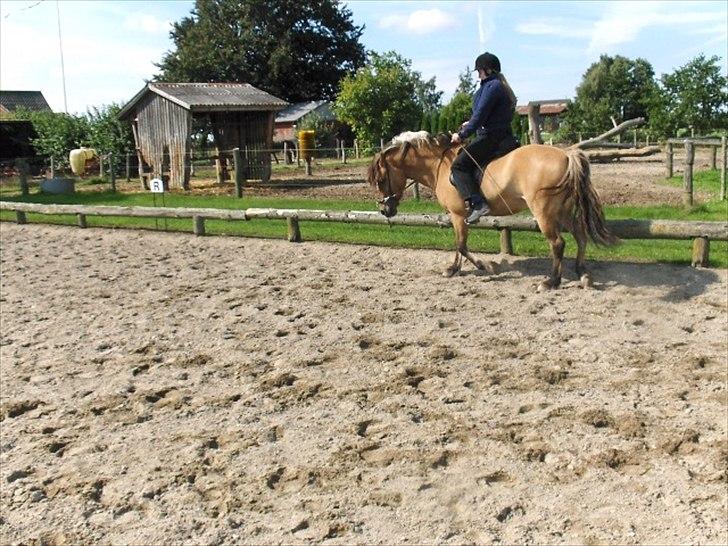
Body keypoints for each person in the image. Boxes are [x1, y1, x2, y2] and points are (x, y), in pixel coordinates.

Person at [450, 52, 518, 224]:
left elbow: (480, 116)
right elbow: (484, 115)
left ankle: (478, 203)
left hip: (492, 138)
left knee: (458, 165)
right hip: (498, 134)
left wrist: (462, 134)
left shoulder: (492, 87)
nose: (478, 74)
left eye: (479, 70)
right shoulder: (494, 86)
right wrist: (469, 123)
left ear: (486, 70)